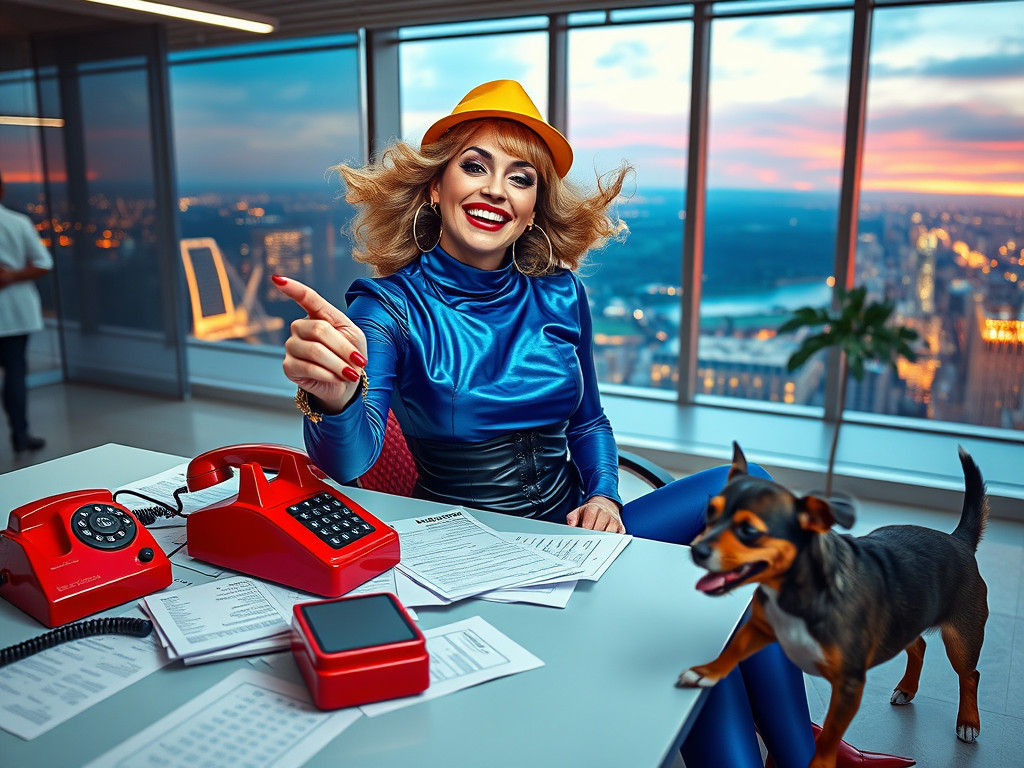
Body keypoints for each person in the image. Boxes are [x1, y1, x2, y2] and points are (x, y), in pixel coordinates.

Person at [275, 80, 913, 768]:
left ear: (532, 210)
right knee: (697, 619)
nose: (495, 190)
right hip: (476, 556)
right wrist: (335, 399)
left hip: (573, 533)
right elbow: (352, 459)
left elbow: (590, 421)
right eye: (475, 166)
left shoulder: (560, 292)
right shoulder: (387, 306)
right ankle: (808, 753)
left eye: (520, 178)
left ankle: (806, 754)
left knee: (741, 519)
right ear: (435, 188)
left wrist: (604, 494)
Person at [0, 169, 51, 454]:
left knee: (15, 376)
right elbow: (43, 263)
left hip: (14, 315)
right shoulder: (17, 223)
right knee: (15, 374)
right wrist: (12, 276)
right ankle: (20, 434)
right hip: (15, 316)